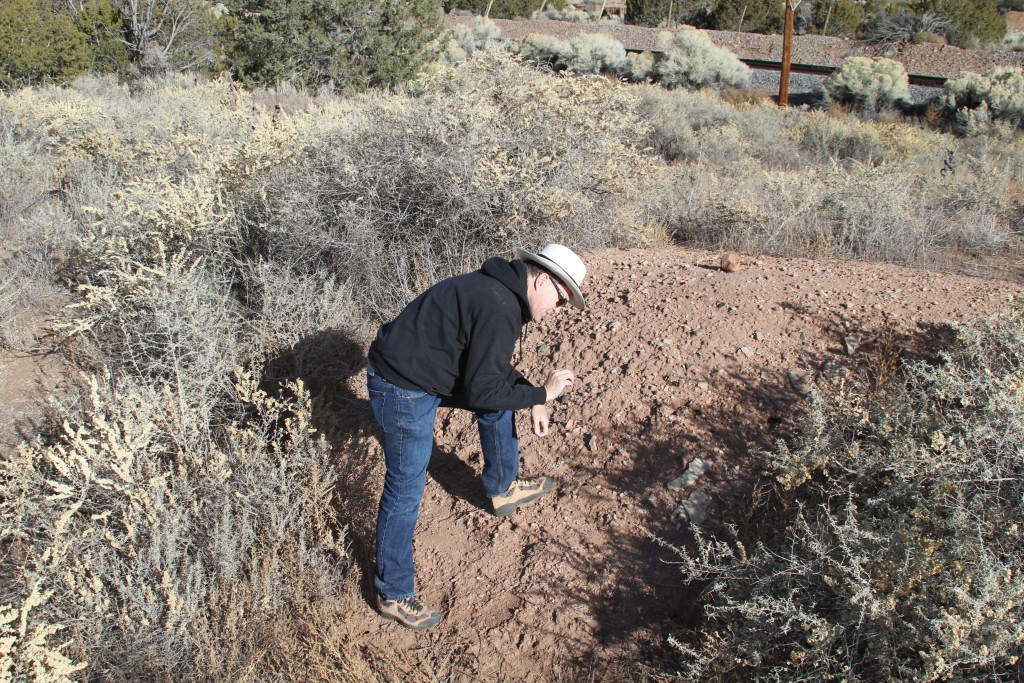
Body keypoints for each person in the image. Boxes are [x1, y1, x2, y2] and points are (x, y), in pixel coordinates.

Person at [366, 244, 587, 630]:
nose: (557, 310)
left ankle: (502, 488)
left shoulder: (500, 293)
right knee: (405, 487)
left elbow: (489, 372)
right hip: (401, 384)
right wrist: (542, 394)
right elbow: (485, 389)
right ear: (542, 279)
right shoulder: (500, 306)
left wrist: (530, 395)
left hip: (429, 370)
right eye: (561, 300)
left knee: (500, 401)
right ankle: (393, 592)